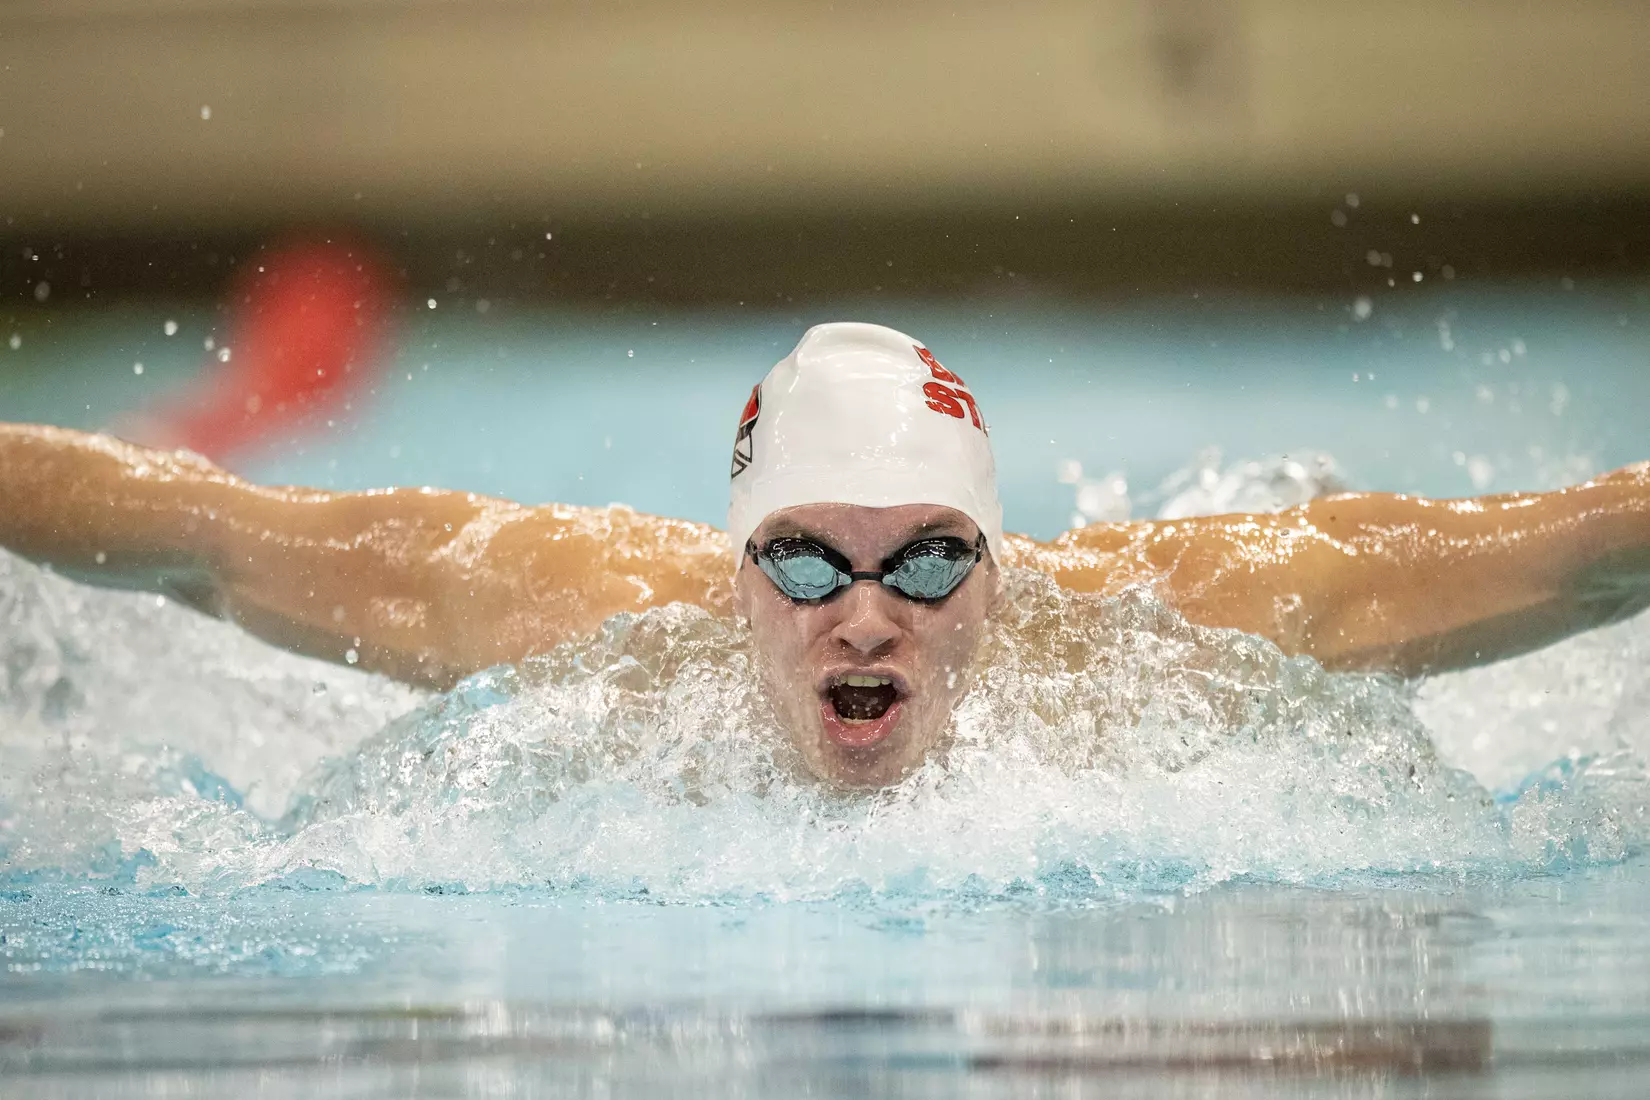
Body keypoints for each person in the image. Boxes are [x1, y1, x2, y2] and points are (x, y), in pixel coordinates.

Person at [3, 322, 1648, 787]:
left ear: (1004, 569)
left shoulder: (1176, 630)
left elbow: (1575, 552)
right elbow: (201, 536)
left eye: (929, 565)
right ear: (730, 576)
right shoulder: (559, 615)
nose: (866, 618)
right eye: (804, 565)